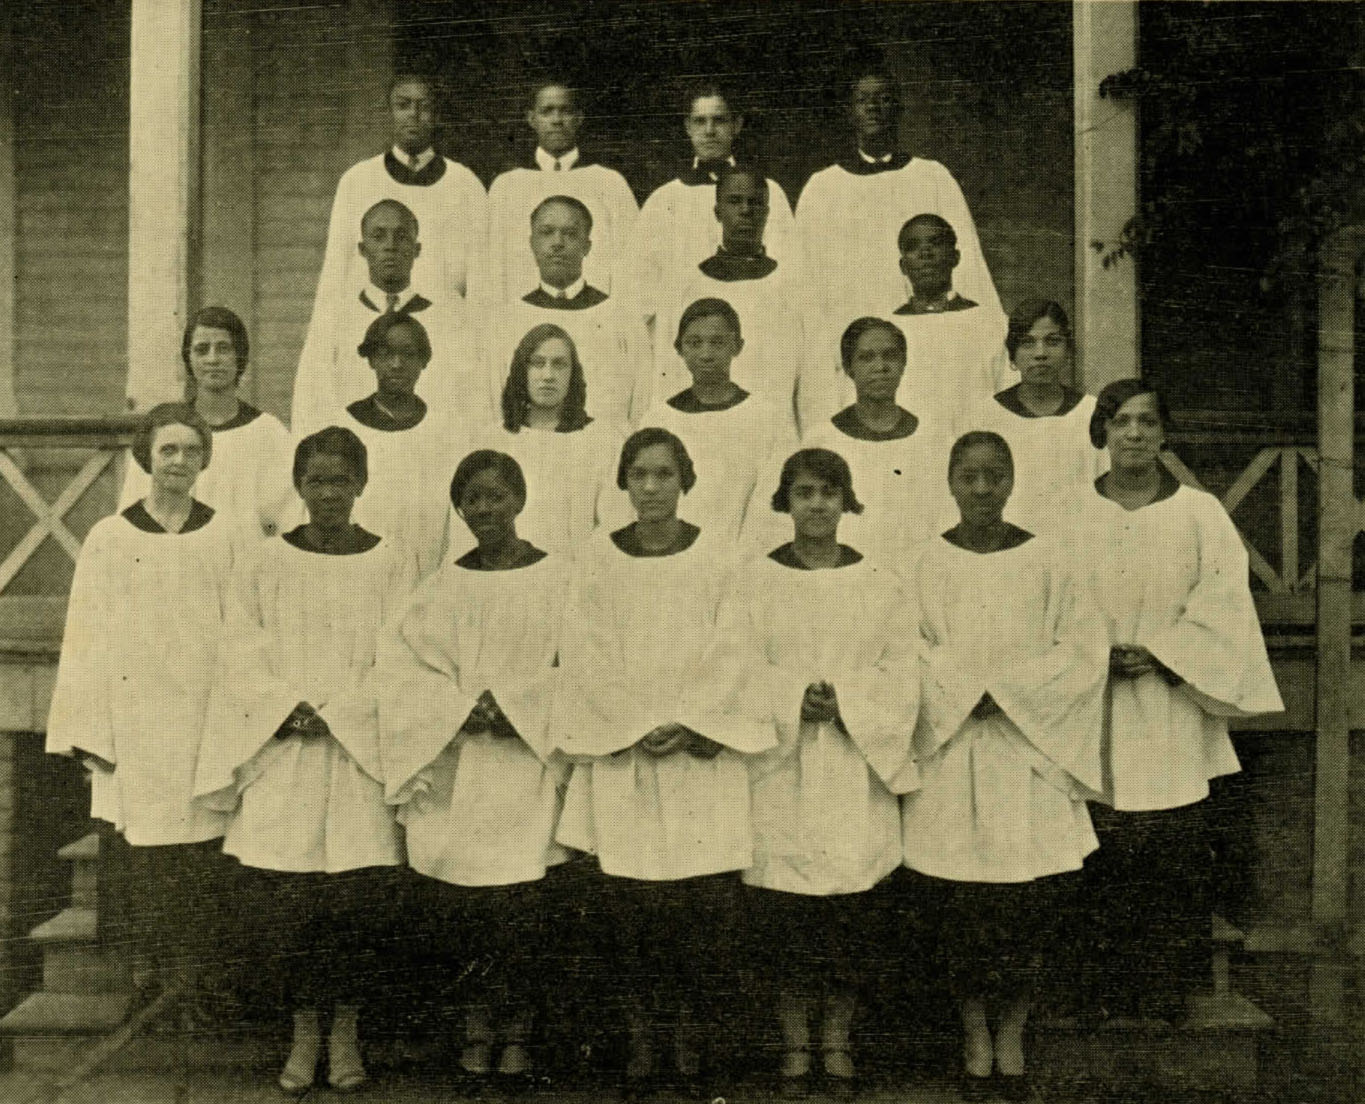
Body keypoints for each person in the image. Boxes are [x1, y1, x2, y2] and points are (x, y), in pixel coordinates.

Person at [554, 428, 775, 1095]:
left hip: (694, 758)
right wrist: (632, 721)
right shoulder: (598, 557)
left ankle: (689, 1040)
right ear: (622, 483)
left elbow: (735, 646)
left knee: (695, 909)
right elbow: (585, 648)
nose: (650, 488)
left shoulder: (720, 557)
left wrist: (688, 722)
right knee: (631, 908)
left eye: (663, 475)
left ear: (685, 481)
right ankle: (641, 1041)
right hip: (626, 756)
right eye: (639, 475)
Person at [195, 427, 414, 1094]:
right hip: (286, 749)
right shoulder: (266, 562)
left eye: (340, 481)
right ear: (299, 486)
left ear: (360, 485)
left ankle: (344, 1034)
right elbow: (240, 648)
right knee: (291, 905)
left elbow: (400, 655)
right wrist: (287, 708)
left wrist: (341, 714)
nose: (328, 494)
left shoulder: (390, 562)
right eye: (316, 481)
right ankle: (303, 1034)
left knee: (351, 903)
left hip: (355, 758)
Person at [902, 431, 1107, 1103]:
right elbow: (909, 648)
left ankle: (1012, 1029)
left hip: (1027, 752)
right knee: (960, 908)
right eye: (969, 476)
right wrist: (966, 693)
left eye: (994, 476)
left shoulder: (1048, 560)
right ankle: (971, 1030)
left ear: (1012, 480)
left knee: (1026, 907)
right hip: (955, 750)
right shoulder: (924, 563)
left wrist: (1008, 694)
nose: (982, 489)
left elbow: (1079, 649)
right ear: (951, 482)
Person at [1070, 379, 1283, 1022]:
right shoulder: (1069, 512)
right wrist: (1093, 652)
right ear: (1101, 432)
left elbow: (1222, 601)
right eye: (1121, 421)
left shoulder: (1200, 512)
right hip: (1094, 703)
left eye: (1147, 421)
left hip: (1171, 705)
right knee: (1100, 846)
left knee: (1168, 849)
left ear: (1165, 433)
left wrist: (1162, 652)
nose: (1133, 433)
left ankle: (1165, 995)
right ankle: (1101, 999)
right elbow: (1049, 604)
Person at [378, 450, 571, 1084]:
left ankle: (517, 1034)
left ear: (519, 499)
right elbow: (408, 671)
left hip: (527, 768)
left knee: (522, 911)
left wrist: (514, 707)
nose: (485, 510)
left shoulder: (558, 580)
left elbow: (577, 665)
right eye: (472, 500)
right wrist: (463, 709)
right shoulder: (440, 587)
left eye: (496, 496)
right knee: (466, 916)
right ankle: (474, 1030)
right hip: (461, 767)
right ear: (459, 510)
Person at [739, 448, 920, 1096]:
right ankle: (794, 1042)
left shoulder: (879, 583)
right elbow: (735, 665)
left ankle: (837, 1040)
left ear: (847, 501)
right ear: (783, 502)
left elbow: (901, 670)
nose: (815, 504)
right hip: (782, 771)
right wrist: (792, 696)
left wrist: (846, 699)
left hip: (851, 763)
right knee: (785, 915)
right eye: (803, 492)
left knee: (848, 915)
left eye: (827, 492)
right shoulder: (754, 581)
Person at [47, 403, 235, 1017]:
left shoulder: (227, 535)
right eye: (167, 451)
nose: (178, 462)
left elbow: (242, 637)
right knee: (142, 860)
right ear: (146, 459)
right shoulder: (110, 537)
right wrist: (90, 732)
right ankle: (146, 981)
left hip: (204, 722)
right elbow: (86, 638)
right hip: (136, 725)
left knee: (200, 857)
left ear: (204, 458)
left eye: (189, 450)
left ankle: (196, 983)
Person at [795, 66, 999, 326]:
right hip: (851, 328)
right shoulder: (822, 188)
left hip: (925, 324)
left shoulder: (933, 177)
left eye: (883, 99)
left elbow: (967, 262)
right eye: (862, 100)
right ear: (850, 113)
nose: (873, 107)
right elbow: (806, 278)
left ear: (899, 109)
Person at [752, 318, 952, 570]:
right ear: (848, 368)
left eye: (889, 356)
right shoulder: (821, 440)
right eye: (866, 358)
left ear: (903, 364)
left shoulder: (935, 441)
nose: (880, 367)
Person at [650, 165, 812, 436]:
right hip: (696, 434)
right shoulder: (683, 285)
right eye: (735, 201)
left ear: (768, 212)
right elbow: (667, 375)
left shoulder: (795, 287)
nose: (745, 211)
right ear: (717, 211)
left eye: (755, 202)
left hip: (772, 437)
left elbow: (814, 383)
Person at [293, 198, 469, 434]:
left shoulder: (449, 315)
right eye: (378, 236)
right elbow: (311, 401)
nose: (390, 246)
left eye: (402, 237)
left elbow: (465, 397)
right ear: (362, 249)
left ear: (417, 250)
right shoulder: (336, 316)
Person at [310, 73, 485, 310]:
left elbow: (482, 278)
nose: (413, 114)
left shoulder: (465, 184)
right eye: (403, 106)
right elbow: (335, 271)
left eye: (424, 107)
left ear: (436, 116)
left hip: (444, 324)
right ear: (389, 113)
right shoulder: (358, 180)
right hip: (373, 322)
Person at [119, 307, 294, 543]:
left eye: (223, 348)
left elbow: (288, 520)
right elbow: (135, 517)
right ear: (189, 359)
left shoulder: (268, 433)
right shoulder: (165, 432)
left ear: (239, 356)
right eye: (202, 350)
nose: (213, 359)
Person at [625, 298, 793, 542]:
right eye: (694, 343)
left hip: (739, 564)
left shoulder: (767, 418)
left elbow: (771, 511)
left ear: (737, 346)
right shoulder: (658, 419)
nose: (706, 354)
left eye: (717, 343)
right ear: (679, 348)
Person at [627, 84, 796, 315]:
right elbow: (639, 286)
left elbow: (788, 271)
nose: (709, 130)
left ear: (736, 125)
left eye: (719, 120)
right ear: (687, 126)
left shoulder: (767, 192)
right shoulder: (663, 200)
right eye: (699, 121)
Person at [481, 195, 650, 426]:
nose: (557, 243)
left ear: (587, 246)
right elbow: (494, 411)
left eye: (570, 234)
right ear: (532, 243)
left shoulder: (622, 318)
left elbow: (642, 408)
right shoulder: (506, 320)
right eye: (547, 232)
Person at [321, 311, 460, 578]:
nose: (397, 364)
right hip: (356, 572)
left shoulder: (445, 432)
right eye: (386, 354)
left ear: (423, 361)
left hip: (427, 573)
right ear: (372, 360)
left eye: (408, 354)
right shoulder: (343, 428)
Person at [482, 80, 638, 306]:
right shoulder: (507, 186)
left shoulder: (609, 183)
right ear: (532, 119)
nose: (556, 120)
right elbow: (491, 269)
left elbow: (631, 265)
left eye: (565, 111)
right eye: (547, 112)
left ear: (579, 118)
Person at [468, 323, 618, 557]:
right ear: (522, 371)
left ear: (573, 374)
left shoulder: (602, 441)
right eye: (538, 363)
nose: (548, 375)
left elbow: (612, 526)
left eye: (559, 365)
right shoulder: (492, 441)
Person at [966, 299, 1107, 535]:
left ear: (1068, 351)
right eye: (1027, 343)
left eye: (1052, 342)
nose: (1040, 354)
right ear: (1012, 355)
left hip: (1079, 543)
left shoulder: (1092, 413)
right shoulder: (985, 417)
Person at [882, 214, 1011, 436]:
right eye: (913, 247)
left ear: (955, 257)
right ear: (903, 265)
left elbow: (1008, 396)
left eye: (936, 244)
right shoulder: (886, 330)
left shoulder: (992, 324)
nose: (925, 254)